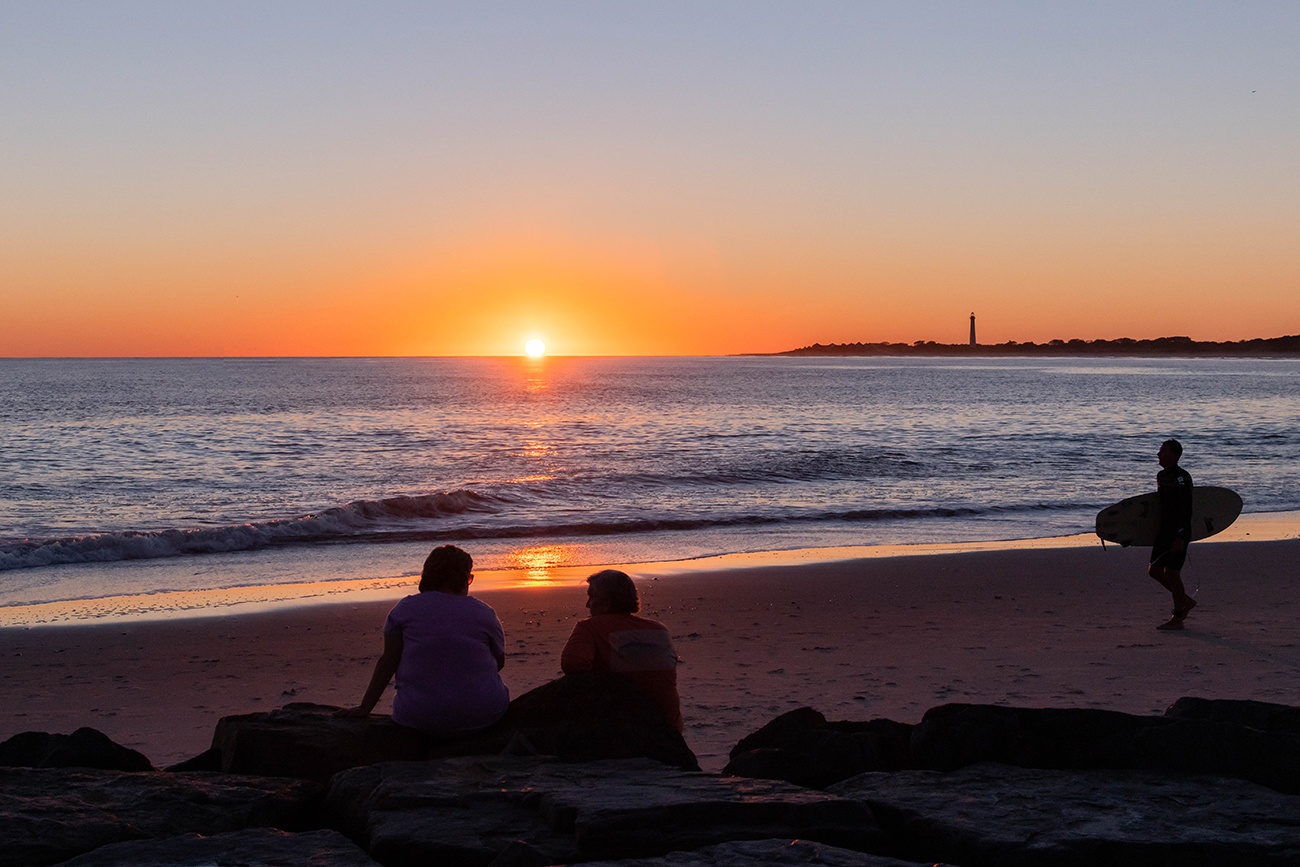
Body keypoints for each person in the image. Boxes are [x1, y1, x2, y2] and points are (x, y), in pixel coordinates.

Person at [339, 545, 509, 736]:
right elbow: (499, 662)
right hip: (483, 714)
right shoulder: (484, 613)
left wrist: (365, 708)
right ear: (463, 579)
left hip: (417, 716)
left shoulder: (404, 610)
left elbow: (388, 663)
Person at [560, 569, 683, 732]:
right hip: (669, 730)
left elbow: (572, 664)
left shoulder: (590, 627)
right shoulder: (660, 630)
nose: (587, 604)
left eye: (591, 597)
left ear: (606, 604)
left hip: (623, 730)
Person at [1149, 439, 1196, 631]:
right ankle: (1186, 600)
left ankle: (1178, 617)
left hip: (1178, 532)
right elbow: (1160, 508)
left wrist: (1180, 536)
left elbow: (1185, 509)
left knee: (1173, 573)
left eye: (1162, 451)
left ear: (1174, 455)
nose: (1158, 454)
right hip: (1164, 531)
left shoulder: (1182, 477)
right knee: (1154, 571)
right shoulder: (1161, 476)